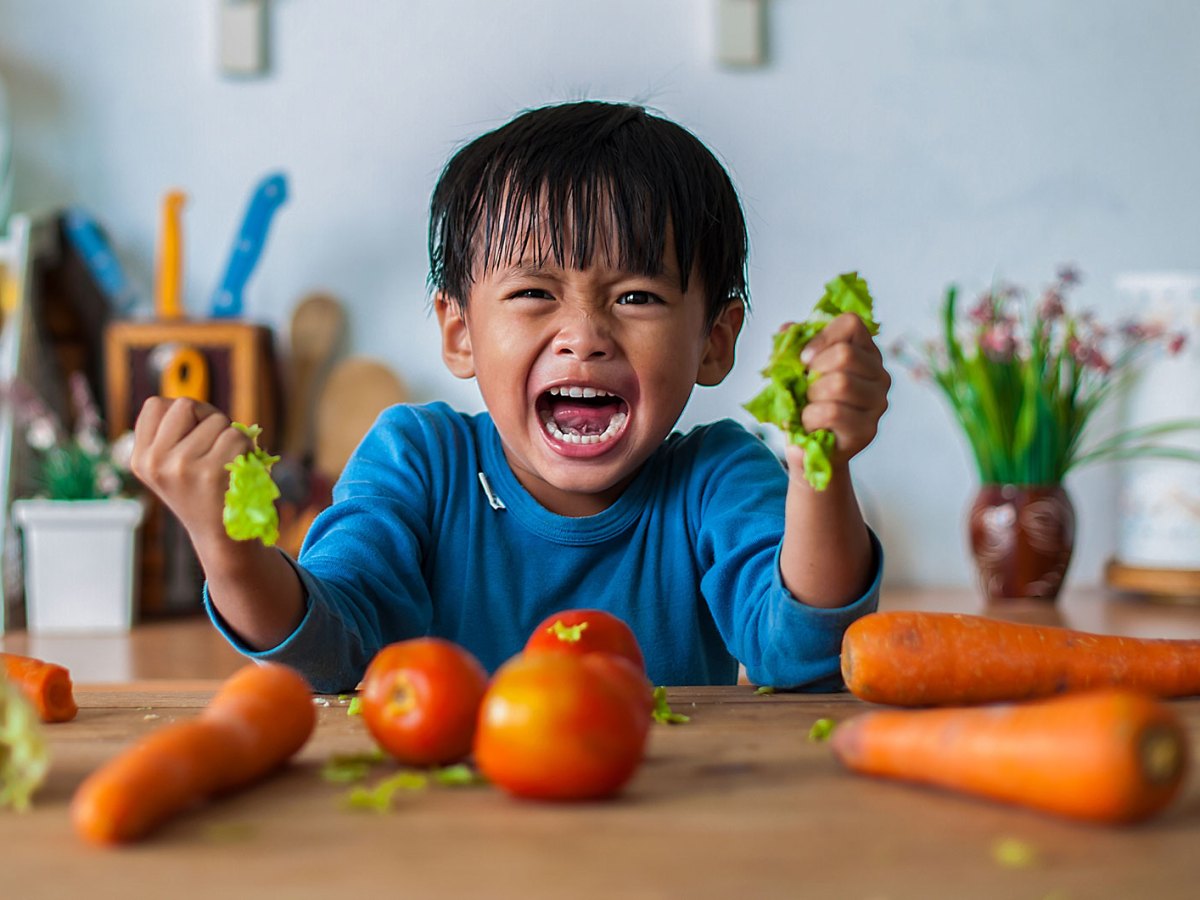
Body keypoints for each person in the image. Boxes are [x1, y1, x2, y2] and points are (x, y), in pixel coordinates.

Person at [130, 101, 891, 693]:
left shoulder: (719, 477)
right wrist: (226, 549)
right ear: (460, 332)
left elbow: (807, 658)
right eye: (533, 292)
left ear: (715, 341)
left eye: (637, 297)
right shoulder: (417, 463)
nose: (584, 336)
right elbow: (326, 652)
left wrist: (818, 463)